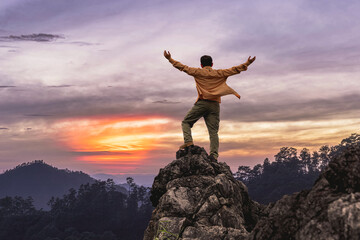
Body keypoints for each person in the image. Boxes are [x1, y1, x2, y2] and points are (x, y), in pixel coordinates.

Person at [164, 50, 256, 160]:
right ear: (212, 64)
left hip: (202, 103)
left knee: (186, 122)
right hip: (215, 105)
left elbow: (183, 67)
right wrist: (248, 63)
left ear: (201, 64)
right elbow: (234, 70)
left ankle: (188, 142)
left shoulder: (198, 72)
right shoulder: (219, 73)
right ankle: (214, 155)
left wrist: (170, 59)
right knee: (213, 132)